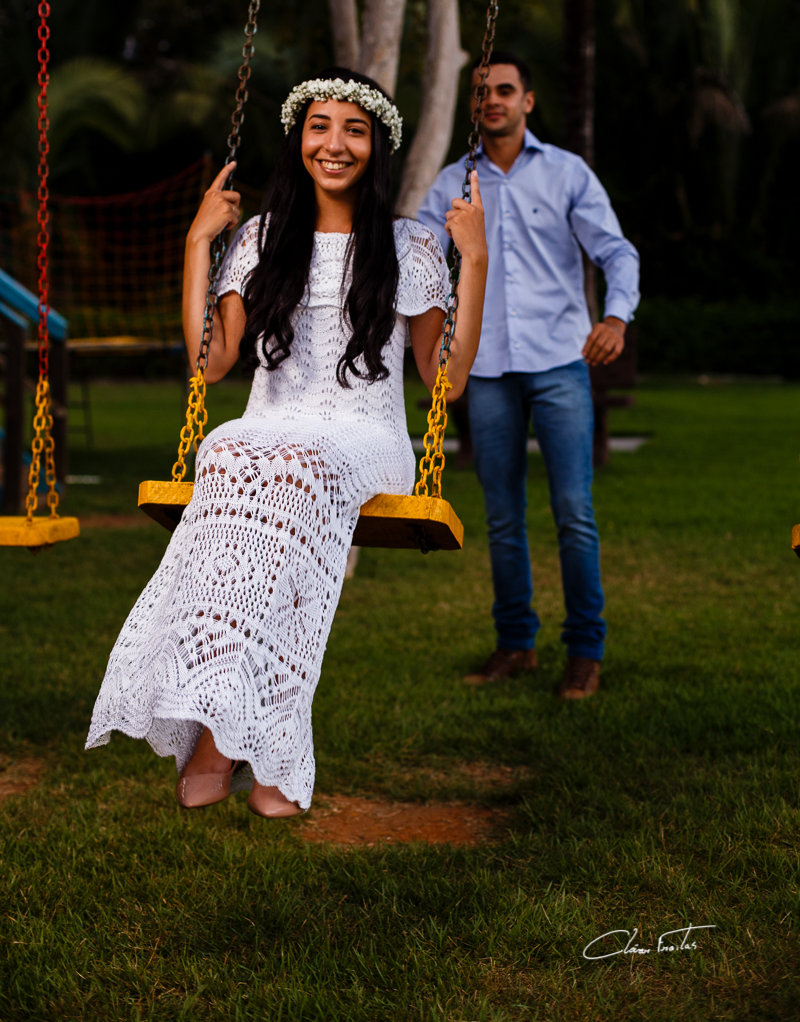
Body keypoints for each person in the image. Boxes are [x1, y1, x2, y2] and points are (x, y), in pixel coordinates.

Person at [86, 69, 488, 815]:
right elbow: (210, 362)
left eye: (354, 130)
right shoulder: (262, 239)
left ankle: (229, 742)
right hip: (269, 430)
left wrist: (478, 262)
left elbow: (446, 385)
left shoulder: (411, 245)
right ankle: (243, 731)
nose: (335, 144)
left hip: (363, 438)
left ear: (377, 147)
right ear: (299, 139)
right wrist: (197, 245)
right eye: (320, 127)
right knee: (229, 451)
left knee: (297, 467)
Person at [418, 52, 639, 700]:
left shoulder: (567, 173)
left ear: (528, 101)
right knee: (501, 515)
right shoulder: (452, 184)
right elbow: (420, 263)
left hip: (561, 362)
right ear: (473, 104)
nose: (494, 101)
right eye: (482, 92)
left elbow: (616, 252)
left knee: (574, 510)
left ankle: (585, 652)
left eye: (506, 90)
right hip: (483, 369)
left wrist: (617, 319)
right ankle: (516, 645)